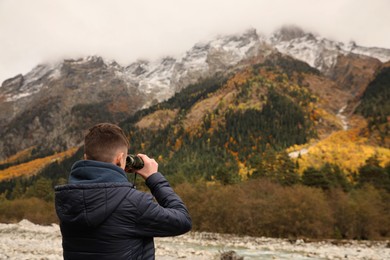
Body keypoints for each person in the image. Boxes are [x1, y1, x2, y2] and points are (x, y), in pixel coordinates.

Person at [55, 123, 192, 260]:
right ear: (120, 159)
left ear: (85, 157)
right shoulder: (134, 203)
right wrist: (154, 178)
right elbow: (183, 220)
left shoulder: (67, 199)